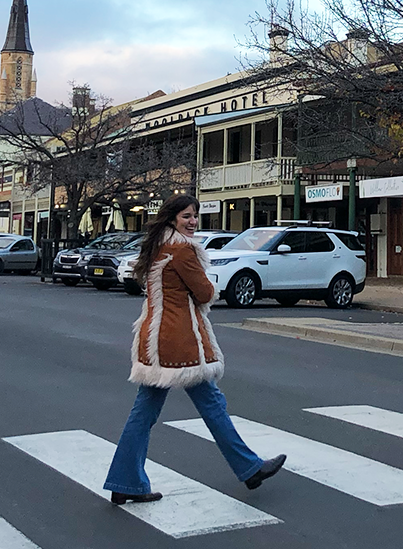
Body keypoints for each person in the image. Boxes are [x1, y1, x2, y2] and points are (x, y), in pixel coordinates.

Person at [103, 194, 285, 504]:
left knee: (144, 412)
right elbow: (205, 292)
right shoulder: (183, 250)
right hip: (180, 340)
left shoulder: (156, 246)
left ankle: (125, 481)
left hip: (154, 337)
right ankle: (249, 468)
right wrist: (208, 285)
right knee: (211, 404)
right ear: (172, 217)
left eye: (195, 216)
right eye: (187, 216)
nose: (192, 221)